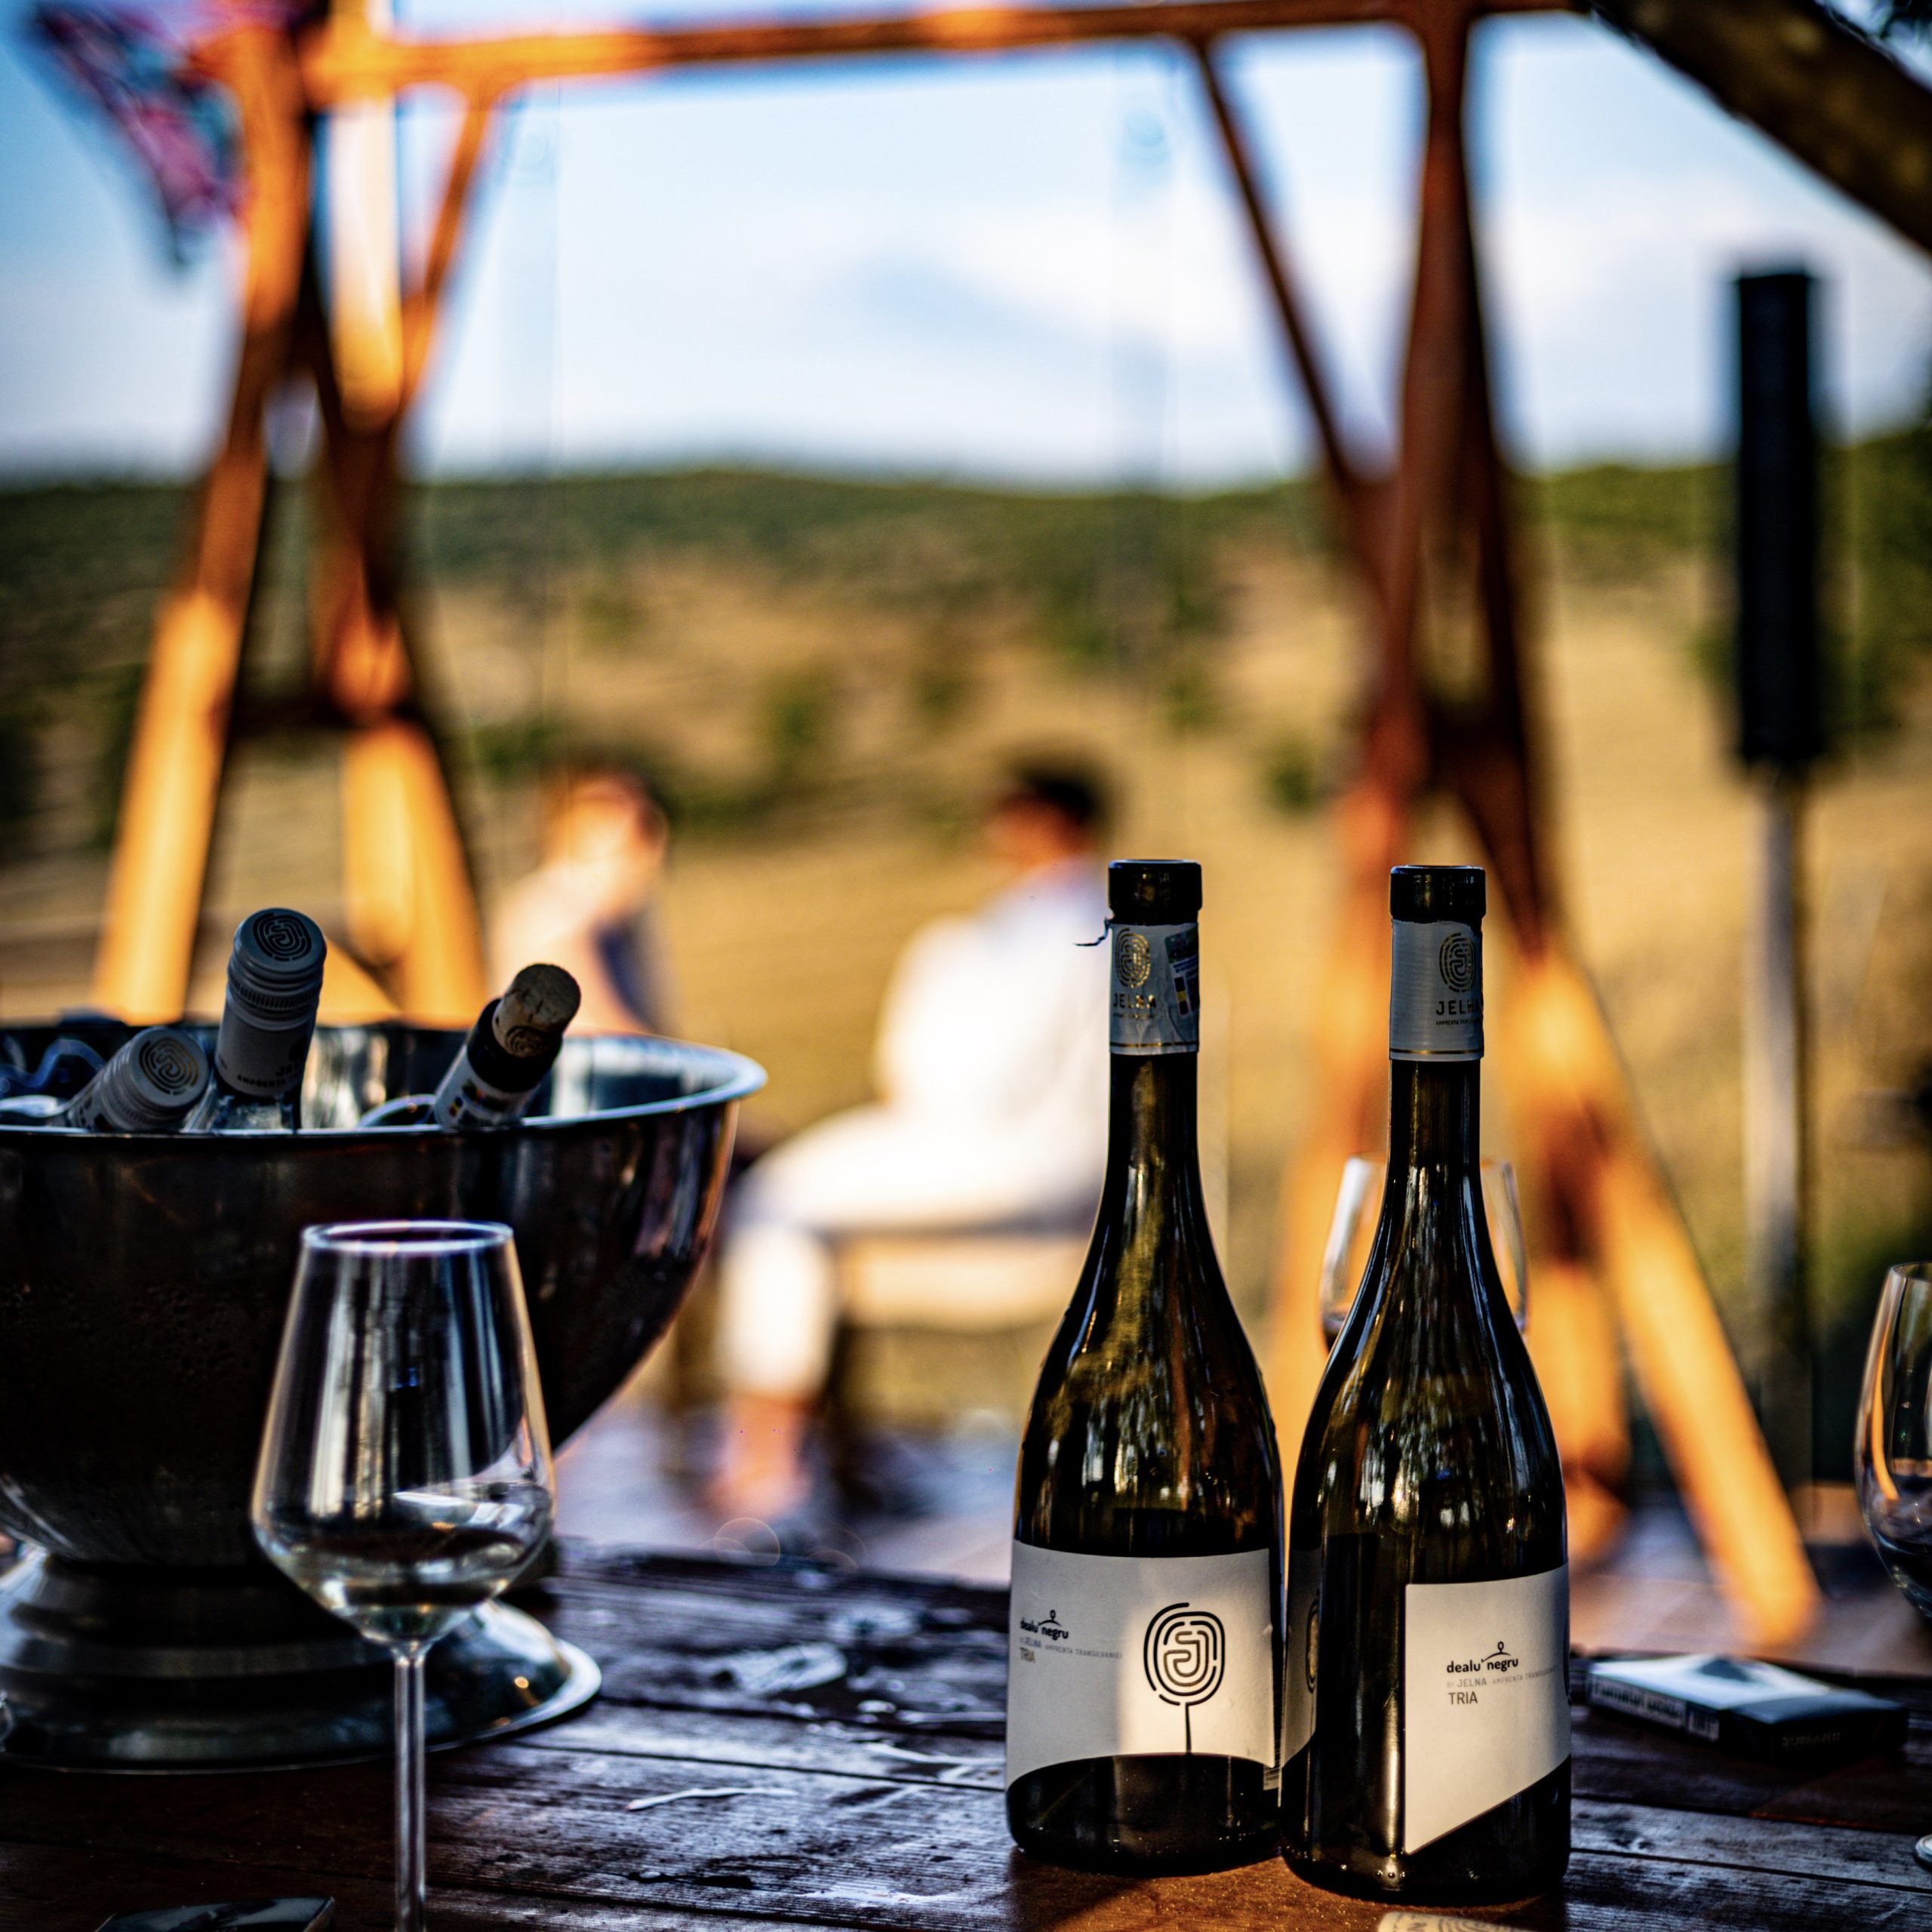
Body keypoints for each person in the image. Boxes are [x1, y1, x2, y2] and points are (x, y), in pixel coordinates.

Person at [710, 761, 1112, 1520]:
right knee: (797, 1221)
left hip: (1013, 1157)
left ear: (1053, 823)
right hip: (1026, 1151)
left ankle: (765, 1469)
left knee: (777, 1203)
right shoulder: (1044, 924)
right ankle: (822, 1458)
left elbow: (964, 1080)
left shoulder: (1057, 928)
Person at [491, 764, 672, 1035]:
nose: (654, 849)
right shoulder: (557, 908)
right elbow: (613, 1032)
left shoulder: (616, 920)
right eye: (641, 832)